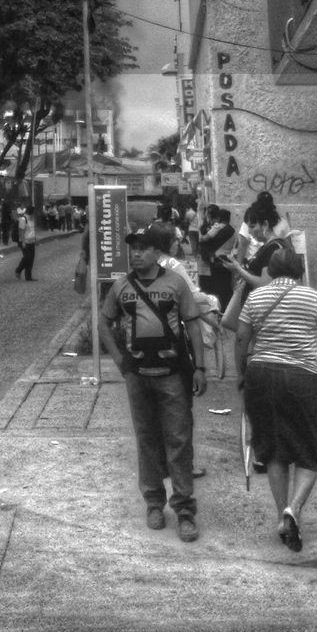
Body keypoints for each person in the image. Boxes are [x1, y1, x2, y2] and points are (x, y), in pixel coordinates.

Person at [99, 223, 207, 542]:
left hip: (172, 374)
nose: (135, 253)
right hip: (138, 377)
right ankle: (154, 503)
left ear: (157, 254)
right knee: (146, 440)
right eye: (132, 248)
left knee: (179, 440)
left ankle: (185, 510)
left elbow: (193, 324)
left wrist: (200, 367)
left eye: (143, 248)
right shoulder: (121, 287)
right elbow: (104, 321)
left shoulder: (175, 284)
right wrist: (119, 359)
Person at [235, 246, 317, 553]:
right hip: (301, 377)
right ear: (299, 271)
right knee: (309, 446)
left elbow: (242, 337)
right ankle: (293, 509)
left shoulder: (257, 297)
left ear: (271, 270)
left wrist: (242, 373)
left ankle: (282, 513)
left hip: (261, 375)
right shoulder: (311, 296)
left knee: (273, 447)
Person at [221, 194, 293, 330]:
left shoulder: (272, 249)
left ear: (265, 224)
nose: (250, 232)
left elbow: (263, 283)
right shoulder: (270, 245)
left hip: (263, 311)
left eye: (253, 227)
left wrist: (239, 269)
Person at [197, 204, 235, 309]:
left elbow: (205, 240)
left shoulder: (220, 229)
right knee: (225, 289)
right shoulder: (231, 230)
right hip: (224, 261)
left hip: (217, 262)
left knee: (219, 289)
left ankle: (220, 309)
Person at [15, 205, 36, 281]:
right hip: (25, 242)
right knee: (27, 258)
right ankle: (18, 270)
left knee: (31, 259)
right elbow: (21, 231)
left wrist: (34, 238)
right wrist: (23, 242)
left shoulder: (31, 219)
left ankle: (28, 276)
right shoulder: (23, 219)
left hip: (31, 241)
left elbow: (31, 230)